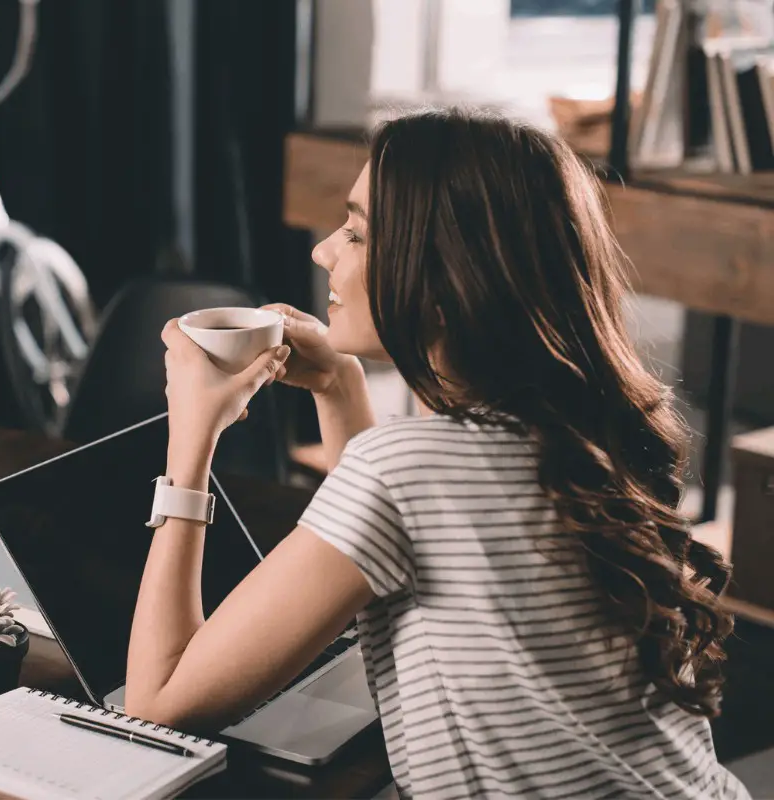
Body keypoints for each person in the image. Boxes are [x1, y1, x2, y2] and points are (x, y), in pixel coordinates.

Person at [124, 108, 749, 799]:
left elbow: (159, 703)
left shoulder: (404, 471)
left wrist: (189, 444)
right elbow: (407, 537)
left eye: (358, 232)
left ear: (447, 279)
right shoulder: (583, 428)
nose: (324, 250)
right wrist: (337, 383)